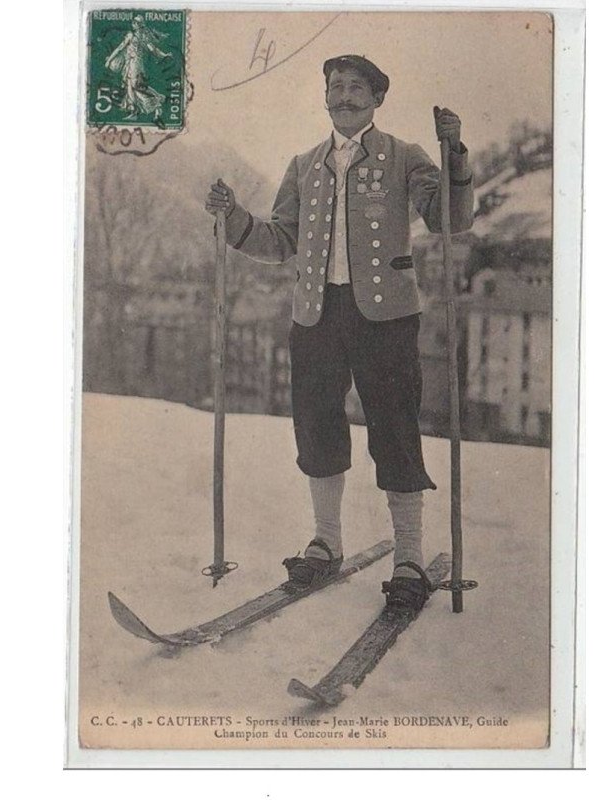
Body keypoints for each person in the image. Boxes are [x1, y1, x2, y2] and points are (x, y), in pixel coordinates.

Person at [205, 55, 473, 610]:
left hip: (387, 317)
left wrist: (456, 155)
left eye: (356, 87)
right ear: (325, 98)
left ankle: (409, 557)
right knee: (317, 424)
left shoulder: (405, 156)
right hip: (316, 314)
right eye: (335, 86)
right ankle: (326, 542)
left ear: (376, 99)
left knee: (394, 427)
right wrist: (232, 218)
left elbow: (450, 218)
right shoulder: (305, 164)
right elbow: (280, 240)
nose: (344, 94)